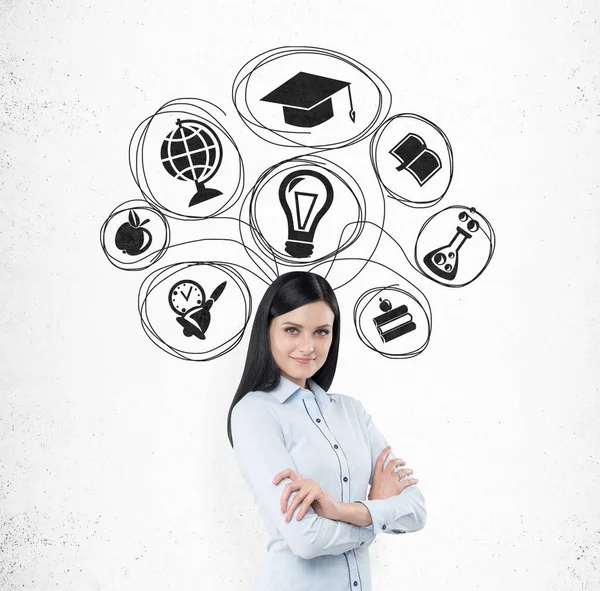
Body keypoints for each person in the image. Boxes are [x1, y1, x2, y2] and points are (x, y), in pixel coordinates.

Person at [227, 271, 426, 591]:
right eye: (292, 330)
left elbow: (416, 510)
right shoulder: (254, 413)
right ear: (267, 331)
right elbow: (305, 539)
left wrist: (342, 511)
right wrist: (374, 518)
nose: (308, 346)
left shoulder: (352, 412)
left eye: (321, 332)